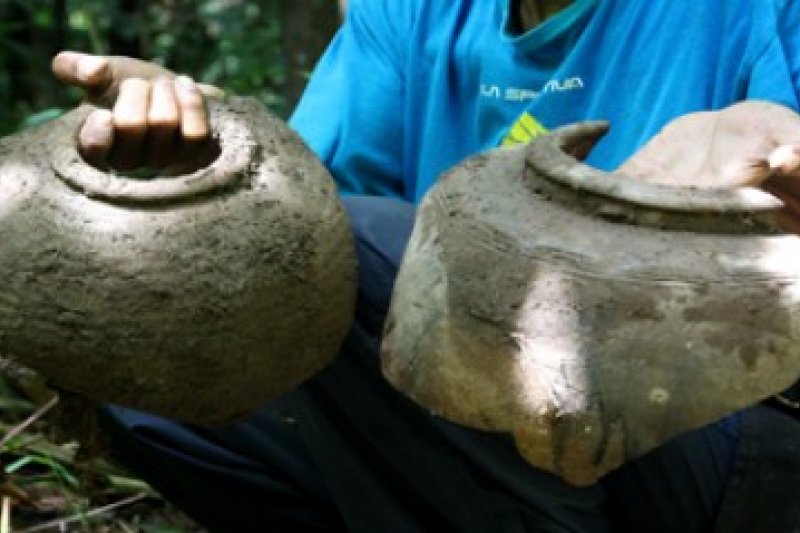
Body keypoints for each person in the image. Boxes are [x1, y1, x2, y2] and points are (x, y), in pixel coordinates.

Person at [50, 0, 800, 531]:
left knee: (367, 243)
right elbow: (292, 226)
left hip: (720, 442)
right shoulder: (410, 13)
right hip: (480, 434)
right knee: (160, 354)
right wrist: (208, 142)